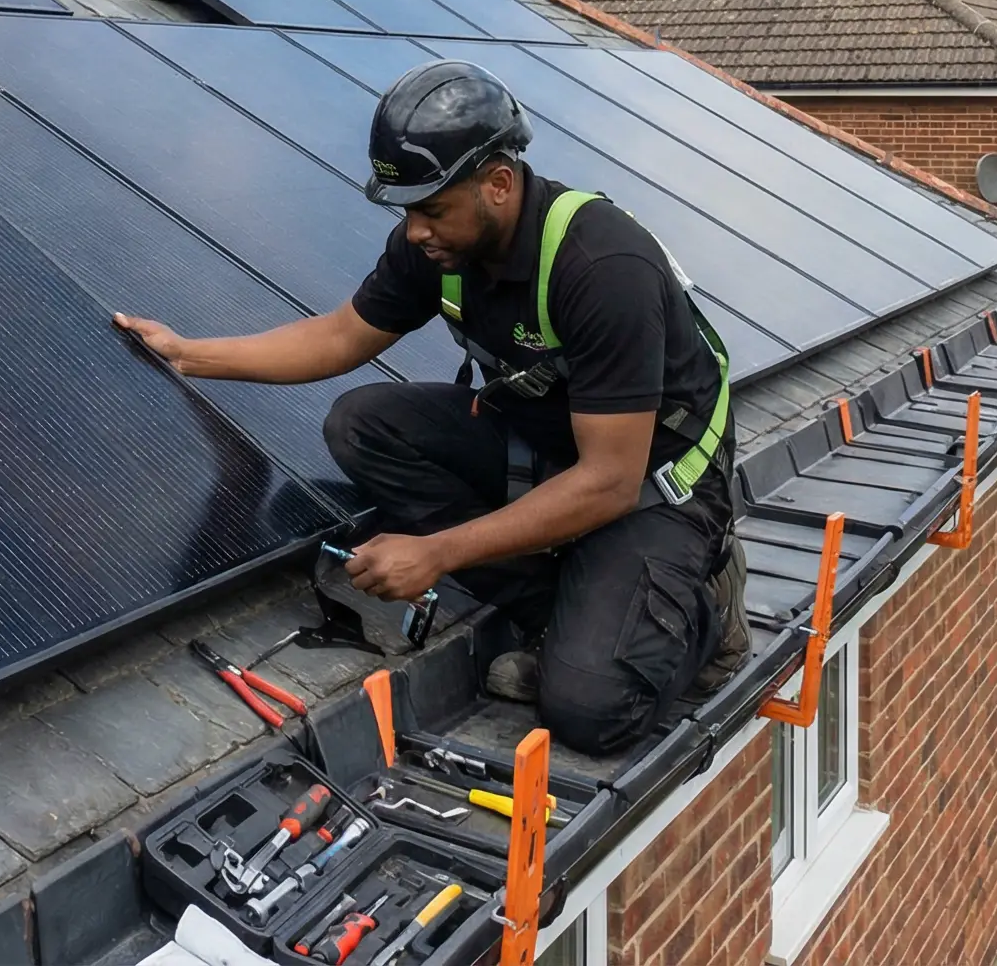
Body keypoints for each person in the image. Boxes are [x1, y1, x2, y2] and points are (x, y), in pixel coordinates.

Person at [115, 61, 748, 753]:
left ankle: (700, 612)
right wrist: (186, 354)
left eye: (432, 209)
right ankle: (566, 611)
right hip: (550, 446)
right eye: (407, 210)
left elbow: (609, 482)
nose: (415, 231)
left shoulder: (600, 267)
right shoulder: (441, 245)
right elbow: (338, 336)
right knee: (362, 424)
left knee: (591, 711)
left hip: (650, 486)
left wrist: (436, 553)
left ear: (498, 185)